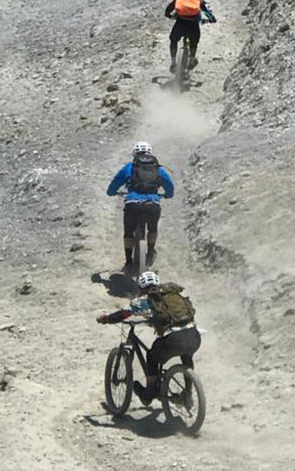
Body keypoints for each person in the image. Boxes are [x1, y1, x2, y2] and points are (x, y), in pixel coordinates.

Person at [97, 271, 201, 404]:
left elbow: (123, 314)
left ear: (140, 288)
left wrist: (106, 319)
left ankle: (149, 393)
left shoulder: (145, 300)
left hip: (174, 341)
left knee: (152, 357)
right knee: (187, 355)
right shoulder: (173, 295)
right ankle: (188, 394)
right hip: (194, 336)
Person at [106, 142, 174, 271]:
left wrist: (111, 192)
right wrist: (168, 195)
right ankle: (150, 252)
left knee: (128, 232)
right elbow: (169, 184)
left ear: (134, 154)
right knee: (152, 228)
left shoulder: (128, 167)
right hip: (152, 204)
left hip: (132, 205)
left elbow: (115, 183)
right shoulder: (158, 168)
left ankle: (128, 261)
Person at [164, 0, 217, 74]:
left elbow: (168, 10)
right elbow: (207, 12)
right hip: (193, 25)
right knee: (194, 42)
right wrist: (212, 19)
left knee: (173, 40)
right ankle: (192, 60)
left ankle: (173, 63)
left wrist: (169, 15)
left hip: (180, 23)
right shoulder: (198, 0)